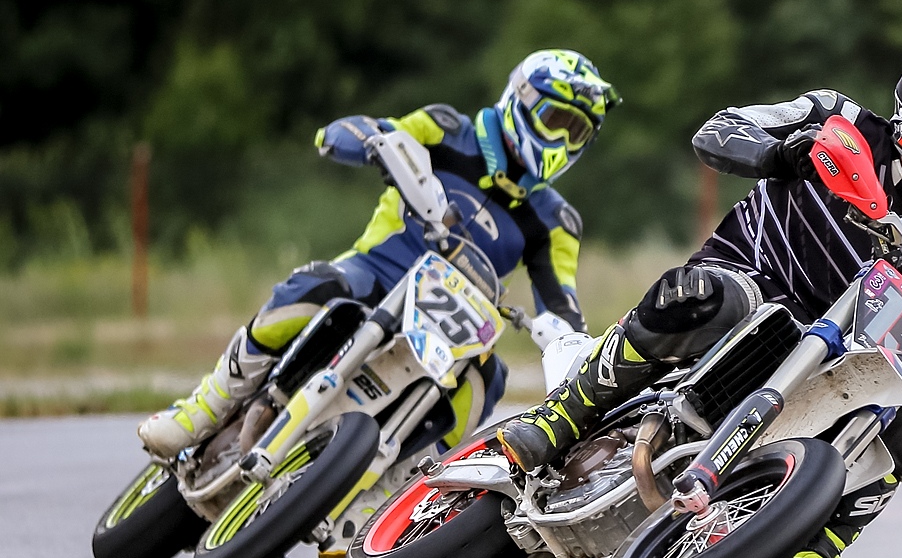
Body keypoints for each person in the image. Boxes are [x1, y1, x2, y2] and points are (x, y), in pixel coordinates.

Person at [497, 44, 902, 558]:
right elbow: (718, 132)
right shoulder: (839, 120)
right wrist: (785, 151)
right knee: (705, 297)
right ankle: (558, 418)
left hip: (823, 360)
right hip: (749, 279)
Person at [139, 50, 621, 465]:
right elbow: (370, 132)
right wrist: (365, 141)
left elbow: (563, 307)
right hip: (376, 274)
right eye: (556, 121)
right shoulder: (447, 129)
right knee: (315, 287)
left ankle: (394, 492)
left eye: (576, 133)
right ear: (522, 101)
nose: (560, 140)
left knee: (489, 380)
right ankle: (201, 410)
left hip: (453, 328)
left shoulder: (557, 220)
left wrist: (569, 344)